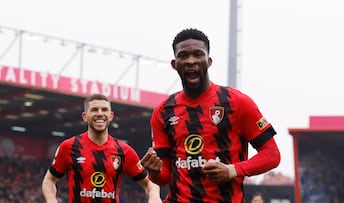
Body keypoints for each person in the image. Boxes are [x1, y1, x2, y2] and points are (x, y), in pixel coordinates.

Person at [140, 28, 281, 202]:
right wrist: (154, 171)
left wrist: (232, 170)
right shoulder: (163, 111)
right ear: (174, 64)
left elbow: (272, 155)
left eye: (198, 54)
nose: (191, 61)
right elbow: (164, 177)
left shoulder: (237, 102)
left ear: (209, 61)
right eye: (183, 55)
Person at [42, 94, 162, 203]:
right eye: (94, 110)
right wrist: (51, 199)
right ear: (85, 116)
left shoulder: (124, 151)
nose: (100, 113)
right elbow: (49, 180)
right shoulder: (69, 147)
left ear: (111, 116)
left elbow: (149, 182)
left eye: (104, 110)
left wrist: (154, 196)